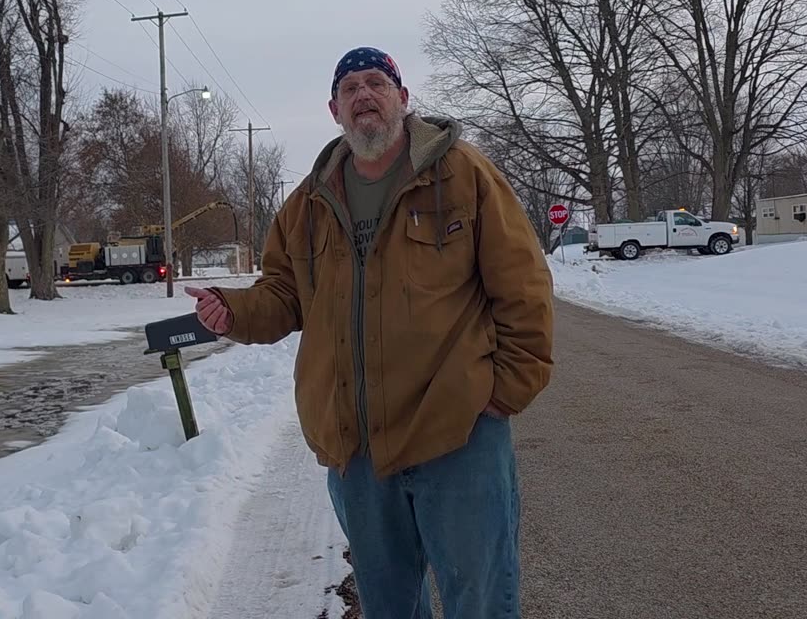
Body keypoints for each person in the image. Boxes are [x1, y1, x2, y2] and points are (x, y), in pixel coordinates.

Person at [185, 47, 553, 619]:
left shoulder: (464, 174)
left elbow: (524, 287)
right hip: (355, 448)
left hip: (456, 434)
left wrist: (505, 389)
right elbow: (284, 294)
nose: (364, 95)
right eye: (350, 87)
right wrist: (232, 312)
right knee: (389, 607)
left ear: (403, 100)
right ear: (334, 109)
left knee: (478, 600)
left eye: (377, 83)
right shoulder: (308, 204)